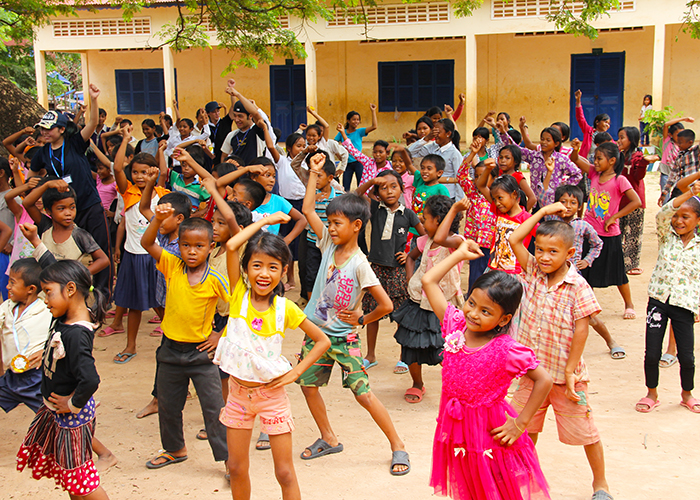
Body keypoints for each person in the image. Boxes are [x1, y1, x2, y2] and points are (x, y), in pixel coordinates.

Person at [297, 153, 410, 475]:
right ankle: (328, 437)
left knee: (363, 393)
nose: (330, 228)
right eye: (329, 223)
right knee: (308, 385)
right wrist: (314, 174)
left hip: (343, 339)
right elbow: (307, 210)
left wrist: (361, 320)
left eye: (337, 223)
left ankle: (398, 445)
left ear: (356, 225)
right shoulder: (328, 246)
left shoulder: (360, 264)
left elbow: (385, 305)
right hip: (316, 334)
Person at [422, 242, 553, 500]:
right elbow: (428, 281)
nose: (473, 313)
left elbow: (544, 380)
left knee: (495, 485)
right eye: (471, 303)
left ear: (504, 319)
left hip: (489, 431)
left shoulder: (506, 349)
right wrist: (459, 254)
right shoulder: (455, 324)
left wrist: (520, 423)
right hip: (456, 425)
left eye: (486, 311)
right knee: (468, 481)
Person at [216, 210, 330, 500]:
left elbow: (322, 341)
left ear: (283, 271)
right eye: (256, 265)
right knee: (237, 467)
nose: (263, 273)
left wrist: (295, 373)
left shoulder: (285, 309)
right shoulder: (238, 295)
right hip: (239, 397)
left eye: (272, 267)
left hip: (272, 398)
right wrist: (265, 223)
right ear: (246, 269)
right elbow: (231, 246)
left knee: (285, 472)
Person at [509, 203, 612, 500]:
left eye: (552, 252)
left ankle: (600, 483)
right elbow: (515, 239)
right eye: (539, 249)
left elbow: (582, 329)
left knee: (586, 432)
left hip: (567, 379)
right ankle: (524, 479)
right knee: (523, 428)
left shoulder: (578, 286)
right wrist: (541, 214)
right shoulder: (532, 272)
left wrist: (570, 370)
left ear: (570, 255)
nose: (543, 257)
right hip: (532, 373)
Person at [140, 208, 230, 473]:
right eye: (186, 245)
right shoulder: (171, 265)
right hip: (169, 351)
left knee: (214, 410)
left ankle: (228, 460)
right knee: (168, 407)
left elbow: (237, 310)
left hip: (201, 356)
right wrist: (157, 219)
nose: (192, 251)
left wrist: (218, 334)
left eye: (199, 246)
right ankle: (175, 450)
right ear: (178, 246)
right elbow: (147, 243)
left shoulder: (215, 278)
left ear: (210, 248)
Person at [16, 260, 110, 499]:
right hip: (60, 413)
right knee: (72, 478)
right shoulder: (63, 317)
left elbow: (90, 380)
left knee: (81, 480)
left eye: (48, 292)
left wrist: (72, 404)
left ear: (70, 290)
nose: (44, 299)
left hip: (72, 417)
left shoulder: (77, 333)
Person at [28, 85, 113, 299]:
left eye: (49, 129)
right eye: (42, 129)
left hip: (88, 205)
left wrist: (93, 99)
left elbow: (92, 123)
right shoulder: (41, 153)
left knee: (101, 249)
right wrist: (46, 183)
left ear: (62, 129)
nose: (45, 133)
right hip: (62, 210)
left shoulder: (74, 143)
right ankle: (72, 291)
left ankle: (104, 295)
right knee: (71, 251)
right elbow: (31, 178)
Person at [637, 172, 700, 414]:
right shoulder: (666, 236)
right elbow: (663, 212)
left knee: (687, 356)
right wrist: (691, 194)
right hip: (659, 301)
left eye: (686, 217)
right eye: (677, 217)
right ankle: (651, 393)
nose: (678, 221)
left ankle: (687, 394)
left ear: (698, 221)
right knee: (652, 352)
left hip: (684, 304)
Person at [393, 194, 464, 403]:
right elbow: (411, 257)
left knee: (448, 348)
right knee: (411, 345)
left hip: (444, 306)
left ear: (440, 221)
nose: (422, 222)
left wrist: (453, 210)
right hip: (418, 303)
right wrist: (410, 278)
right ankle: (417, 383)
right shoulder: (424, 241)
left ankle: (457, 386)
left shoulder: (456, 242)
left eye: (426, 218)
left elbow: (442, 238)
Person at [356, 170, 424, 369]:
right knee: (372, 312)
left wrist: (410, 255)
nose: (389, 191)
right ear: (377, 194)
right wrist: (370, 181)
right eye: (383, 188)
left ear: (402, 189)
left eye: (394, 186)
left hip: (397, 272)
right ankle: (370, 355)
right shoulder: (375, 209)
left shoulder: (409, 214)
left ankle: (403, 357)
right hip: (375, 269)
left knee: (401, 314)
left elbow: (424, 238)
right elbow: (358, 194)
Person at [570, 140, 642, 319]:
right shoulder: (594, 173)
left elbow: (636, 201)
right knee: (586, 270)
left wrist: (615, 217)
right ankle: (587, 306)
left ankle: (629, 304)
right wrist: (576, 150)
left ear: (611, 161)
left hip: (609, 235)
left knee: (618, 273)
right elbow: (575, 159)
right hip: (589, 232)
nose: (595, 161)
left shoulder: (620, 180)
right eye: (594, 158)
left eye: (599, 158)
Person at [553, 184, 625, 360]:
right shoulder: (551, 226)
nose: (567, 206)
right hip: (554, 278)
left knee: (589, 316)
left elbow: (597, 243)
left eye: (572, 202)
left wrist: (587, 260)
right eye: (563, 201)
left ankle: (611, 341)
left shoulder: (582, 226)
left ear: (579, 206)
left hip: (574, 278)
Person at [21, 180, 110, 276]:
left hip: (68, 287)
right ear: (48, 211)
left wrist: (78, 275)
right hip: (45, 285)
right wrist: (46, 185)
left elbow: (103, 260)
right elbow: (27, 203)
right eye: (61, 208)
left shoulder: (79, 234)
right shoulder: (46, 226)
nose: (68, 213)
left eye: (72, 207)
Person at [0, 259, 51, 414]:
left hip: (36, 379)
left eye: (12, 282)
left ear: (31, 289)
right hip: (11, 378)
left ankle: (85, 438)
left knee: (59, 422)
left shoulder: (46, 310)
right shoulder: (6, 308)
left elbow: (63, 338)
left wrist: (45, 352)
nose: (8, 287)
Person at [504, 119, 582, 207]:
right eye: (542, 139)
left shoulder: (561, 159)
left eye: (548, 140)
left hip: (552, 202)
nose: (543, 142)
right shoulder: (534, 156)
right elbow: (515, 149)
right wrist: (503, 133)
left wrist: (562, 188)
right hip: (536, 201)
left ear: (556, 143)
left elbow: (577, 174)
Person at [476, 166, 535, 274]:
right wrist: (488, 169)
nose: (497, 202)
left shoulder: (527, 219)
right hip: (493, 269)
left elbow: (543, 237)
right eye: (494, 199)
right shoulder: (500, 212)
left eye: (500, 198)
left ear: (514, 194)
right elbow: (481, 185)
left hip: (514, 273)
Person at [616, 126, 658, 275]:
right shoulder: (619, 155)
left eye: (622, 138)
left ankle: (632, 264)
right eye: (619, 137)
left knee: (633, 233)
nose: (619, 140)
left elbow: (638, 176)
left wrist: (644, 163)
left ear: (632, 140)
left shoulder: (637, 157)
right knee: (618, 231)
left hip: (635, 201)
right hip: (619, 200)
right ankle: (618, 262)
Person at [408, 119, 464, 201]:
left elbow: (459, 179)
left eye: (438, 132)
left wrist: (458, 202)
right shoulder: (432, 147)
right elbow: (410, 153)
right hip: (430, 195)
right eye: (434, 132)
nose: (435, 135)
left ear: (448, 134)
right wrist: (426, 138)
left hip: (447, 196)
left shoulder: (454, 154)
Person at [334, 105, 378, 191]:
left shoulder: (359, 131)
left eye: (358, 119)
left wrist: (373, 111)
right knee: (346, 187)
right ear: (348, 121)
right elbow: (334, 145)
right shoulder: (342, 132)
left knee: (361, 185)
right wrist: (340, 157)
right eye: (354, 119)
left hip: (359, 162)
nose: (356, 121)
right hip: (347, 163)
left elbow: (374, 126)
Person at [658, 116, 694, 206]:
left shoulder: (687, 150)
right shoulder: (667, 141)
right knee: (667, 203)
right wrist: (683, 119)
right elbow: (666, 125)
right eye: (678, 135)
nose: (680, 138)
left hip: (679, 177)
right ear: (671, 134)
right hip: (666, 173)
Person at [660, 129, 699, 202]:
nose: (678, 145)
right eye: (677, 142)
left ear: (690, 142)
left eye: (680, 143)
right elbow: (672, 176)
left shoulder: (695, 152)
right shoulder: (679, 156)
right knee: (670, 209)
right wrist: (664, 193)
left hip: (691, 188)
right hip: (678, 189)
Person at [574, 89, 611, 161]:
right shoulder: (589, 131)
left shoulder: (608, 138)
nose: (607, 125)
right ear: (597, 122)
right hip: (585, 163)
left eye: (609, 124)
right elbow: (580, 118)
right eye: (605, 122)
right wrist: (578, 102)